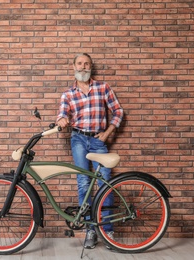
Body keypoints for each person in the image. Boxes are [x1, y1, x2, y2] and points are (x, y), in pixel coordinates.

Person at [56, 53, 124, 249]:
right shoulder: (68, 94)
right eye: (79, 63)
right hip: (77, 139)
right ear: (74, 67)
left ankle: (107, 230)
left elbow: (118, 111)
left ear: (91, 67)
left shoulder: (103, 88)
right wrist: (61, 120)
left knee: (105, 182)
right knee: (83, 183)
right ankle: (90, 231)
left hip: (97, 140)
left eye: (86, 64)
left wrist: (108, 132)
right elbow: (62, 114)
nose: (83, 67)